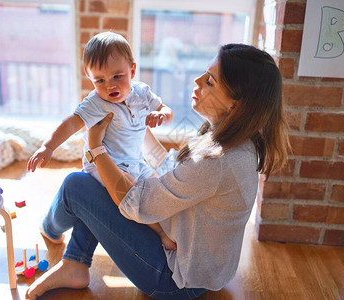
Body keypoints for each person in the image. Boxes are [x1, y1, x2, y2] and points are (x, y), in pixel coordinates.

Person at [25, 43, 289, 300]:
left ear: (237, 104)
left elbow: (136, 203)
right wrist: (136, 132)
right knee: (99, 184)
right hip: (201, 268)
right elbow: (173, 173)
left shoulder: (217, 161)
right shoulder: (239, 143)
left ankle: (51, 230)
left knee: (77, 185)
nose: (196, 81)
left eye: (210, 81)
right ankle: (75, 263)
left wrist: (96, 147)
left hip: (174, 280)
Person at [27, 31, 176, 250]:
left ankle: (163, 224)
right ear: (91, 80)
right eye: (100, 80)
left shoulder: (142, 93)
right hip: (102, 165)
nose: (110, 86)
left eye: (117, 77)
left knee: (158, 186)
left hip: (134, 162)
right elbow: (71, 123)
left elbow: (166, 109)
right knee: (132, 191)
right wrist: (47, 147)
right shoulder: (96, 103)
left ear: (132, 70)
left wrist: (162, 115)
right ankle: (161, 232)